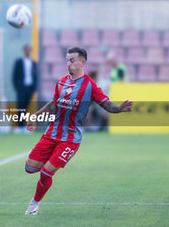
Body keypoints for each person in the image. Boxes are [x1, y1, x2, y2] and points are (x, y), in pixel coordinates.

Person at [24, 47, 133, 215]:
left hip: (70, 140)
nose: (68, 63)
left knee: (46, 172)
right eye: (67, 60)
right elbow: (53, 103)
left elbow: (107, 104)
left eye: (72, 60)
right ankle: (48, 165)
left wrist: (119, 108)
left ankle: (34, 204)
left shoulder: (91, 86)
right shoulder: (61, 82)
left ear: (82, 62)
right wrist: (34, 116)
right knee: (29, 168)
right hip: (51, 134)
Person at [12, 45, 38, 134]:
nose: (27, 52)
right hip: (21, 88)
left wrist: (34, 88)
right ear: (24, 51)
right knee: (20, 107)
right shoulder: (19, 62)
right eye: (26, 50)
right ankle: (19, 126)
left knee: (26, 107)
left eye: (29, 50)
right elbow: (14, 75)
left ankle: (25, 126)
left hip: (30, 88)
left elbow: (35, 76)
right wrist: (16, 86)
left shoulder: (33, 63)